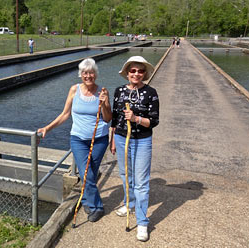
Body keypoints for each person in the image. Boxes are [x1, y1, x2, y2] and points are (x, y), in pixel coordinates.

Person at [38, 58, 112, 222]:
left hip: (99, 138)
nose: (88, 76)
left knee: (90, 172)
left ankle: (86, 200)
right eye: (85, 73)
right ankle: (97, 207)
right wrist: (47, 128)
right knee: (87, 173)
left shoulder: (102, 91)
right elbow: (65, 114)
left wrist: (106, 103)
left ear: (95, 74)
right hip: (78, 139)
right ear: (81, 74)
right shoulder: (74, 90)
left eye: (91, 72)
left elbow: (107, 118)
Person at [110, 56, 159, 242]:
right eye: (133, 71)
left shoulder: (151, 93)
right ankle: (128, 203)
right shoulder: (119, 91)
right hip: (121, 138)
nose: (136, 74)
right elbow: (114, 119)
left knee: (141, 182)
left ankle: (142, 222)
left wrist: (136, 119)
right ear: (127, 73)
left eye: (140, 71)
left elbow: (153, 121)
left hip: (142, 140)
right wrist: (112, 140)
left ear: (144, 73)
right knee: (125, 175)